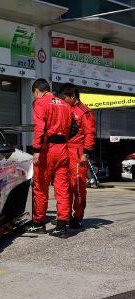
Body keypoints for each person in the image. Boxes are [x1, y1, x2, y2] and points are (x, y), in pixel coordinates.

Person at [27, 78, 72, 238]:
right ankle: (62, 227)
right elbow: (72, 128)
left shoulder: (40, 103)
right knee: (62, 189)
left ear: (37, 91)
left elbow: (39, 127)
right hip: (63, 149)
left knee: (40, 188)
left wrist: (37, 150)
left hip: (47, 150)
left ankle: (39, 224)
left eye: (34, 95)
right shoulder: (65, 105)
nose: (34, 98)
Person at [58, 83, 95, 229]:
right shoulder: (65, 108)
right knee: (63, 186)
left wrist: (86, 153)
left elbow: (90, 134)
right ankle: (64, 216)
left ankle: (78, 217)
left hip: (78, 153)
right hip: (64, 151)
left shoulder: (85, 112)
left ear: (72, 97)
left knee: (78, 187)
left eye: (64, 97)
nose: (62, 100)